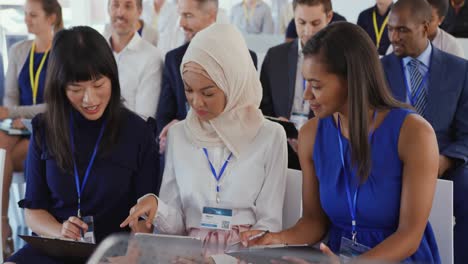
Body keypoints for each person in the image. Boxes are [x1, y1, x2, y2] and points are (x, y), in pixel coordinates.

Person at [242, 22, 441, 263]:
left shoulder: (414, 134)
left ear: (351, 80)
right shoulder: (311, 134)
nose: (306, 97)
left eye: (316, 86)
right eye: (306, 83)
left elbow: (410, 237)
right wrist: (275, 239)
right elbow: (314, 222)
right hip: (334, 256)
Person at [121, 23, 287, 260]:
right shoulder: (179, 134)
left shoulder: (270, 136)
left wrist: (217, 261)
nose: (196, 103)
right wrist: (156, 207)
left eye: (207, 93)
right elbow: (177, 223)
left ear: (234, 83)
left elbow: (269, 227)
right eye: (188, 90)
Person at [5, 26, 161, 264]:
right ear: (60, 87)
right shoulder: (44, 129)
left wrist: (133, 256)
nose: (90, 99)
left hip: (113, 252)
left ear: (112, 77)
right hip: (55, 246)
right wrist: (61, 231)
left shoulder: (138, 132)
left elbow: (145, 218)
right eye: (76, 89)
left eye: (99, 85)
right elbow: (33, 211)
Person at [382, 0, 468, 263]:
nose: (394, 37)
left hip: (446, 163)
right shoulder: (378, 70)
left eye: (403, 30)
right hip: (391, 160)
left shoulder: (460, 70)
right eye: (391, 30)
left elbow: (467, 132)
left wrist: (444, 161)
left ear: (426, 27)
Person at [0, 0, 62, 258]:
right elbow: (10, 97)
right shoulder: (18, 50)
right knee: (1, 144)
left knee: (4, 156)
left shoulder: (62, 52)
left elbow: (56, 104)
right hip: (16, 128)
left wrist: (17, 114)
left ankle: (4, 226)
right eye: (26, 15)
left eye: (33, 15)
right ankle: (3, 221)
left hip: (46, 129)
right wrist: (13, 116)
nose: (26, 20)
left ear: (51, 18)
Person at [156, 0, 258, 155]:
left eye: (188, 15)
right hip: (188, 148)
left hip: (232, 148)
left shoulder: (243, 58)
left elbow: (248, 112)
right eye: (181, 15)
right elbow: (164, 117)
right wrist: (176, 130)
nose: (181, 23)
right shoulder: (174, 59)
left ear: (212, 16)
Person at [260, 0, 333, 170]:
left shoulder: (340, 60)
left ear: (328, 17)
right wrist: (276, 125)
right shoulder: (275, 56)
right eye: (301, 23)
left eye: (315, 23)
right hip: (280, 149)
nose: (308, 31)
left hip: (323, 151)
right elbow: (262, 106)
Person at [107, 0, 163, 119]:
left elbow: (144, 118)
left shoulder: (152, 57)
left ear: (139, 11)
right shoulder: (95, 52)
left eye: (128, 6)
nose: (120, 13)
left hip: (129, 135)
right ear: (108, 9)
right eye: (115, 5)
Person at [386, 0, 464, 58]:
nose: (422, 24)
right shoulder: (400, 43)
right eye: (417, 18)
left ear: (440, 20)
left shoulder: (451, 46)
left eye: (430, 19)